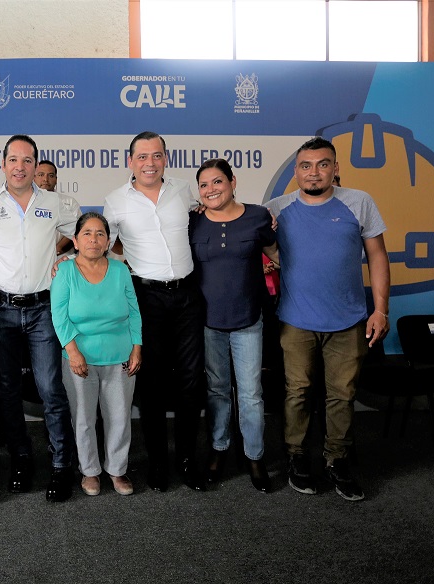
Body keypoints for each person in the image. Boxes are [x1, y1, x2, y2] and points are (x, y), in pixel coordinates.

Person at [265, 136, 390, 501]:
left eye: (323, 164)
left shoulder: (359, 202)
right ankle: (296, 457)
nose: (314, 172)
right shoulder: (276, 208)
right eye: (306, 165)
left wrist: (380, 309)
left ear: (335, 169)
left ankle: (337, 459)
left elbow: (378, 257)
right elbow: (245, 234)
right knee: (297, 392)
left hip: (349, 321)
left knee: (342, 395)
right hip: (295, 320)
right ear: (296, 172)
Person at [0, 134, 79, 502]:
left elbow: (85, 237)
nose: (20, 166)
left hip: (43, 309)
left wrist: (65, 263)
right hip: (0, 310)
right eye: (13, 160)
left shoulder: (57, 203)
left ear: (36, 165)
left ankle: (63, 465)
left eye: (28, 160)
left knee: (50, 389)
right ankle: (21, 459)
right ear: (3, 164)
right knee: (8, 391)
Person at [103, 131, 206, 493]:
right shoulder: (115, 201)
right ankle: (159, 463)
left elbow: (211, 216)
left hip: (189, 297)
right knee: (153, 385)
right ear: (130, 160)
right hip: (147, 299)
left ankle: (188, 460)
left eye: (157, 155)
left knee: (192, 383)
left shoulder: (185, 191)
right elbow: (102, 247)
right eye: (142, 156)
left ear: (166, 158)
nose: (150, 162)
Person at [190, 159, 278, 492]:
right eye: (204, 185)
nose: (211, 189)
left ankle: (254, 455)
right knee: (216, 391)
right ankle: (219, 448)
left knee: (251, 394)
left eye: (217, 182)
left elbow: (275, 253)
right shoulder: (192, 222)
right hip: (209, 323)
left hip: (248, 321)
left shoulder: (257, 216)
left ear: (233, 182)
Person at [51, 211, 142, 496]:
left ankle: (117, 469)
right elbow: (59, 316)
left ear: (107, 241)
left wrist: (137, 346)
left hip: (121, 356)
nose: (94, 239)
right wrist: (73, 351)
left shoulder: (120, 270)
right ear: (75, 241)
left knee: (118, 416)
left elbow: (134, 312)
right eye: (87, 233)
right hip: (79, 358)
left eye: (100, 234)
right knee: (83, 419)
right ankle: (89, 471)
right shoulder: (64, 271)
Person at [35, 160, 80, 257]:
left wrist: (56, 250)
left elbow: (78, 230)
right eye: (41, 175)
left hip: (65, 259)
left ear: (56, 179)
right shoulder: (26, 203)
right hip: (35, 259)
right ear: (33, 178)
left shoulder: (70, 202)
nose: (45, 179)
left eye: (50, 176)